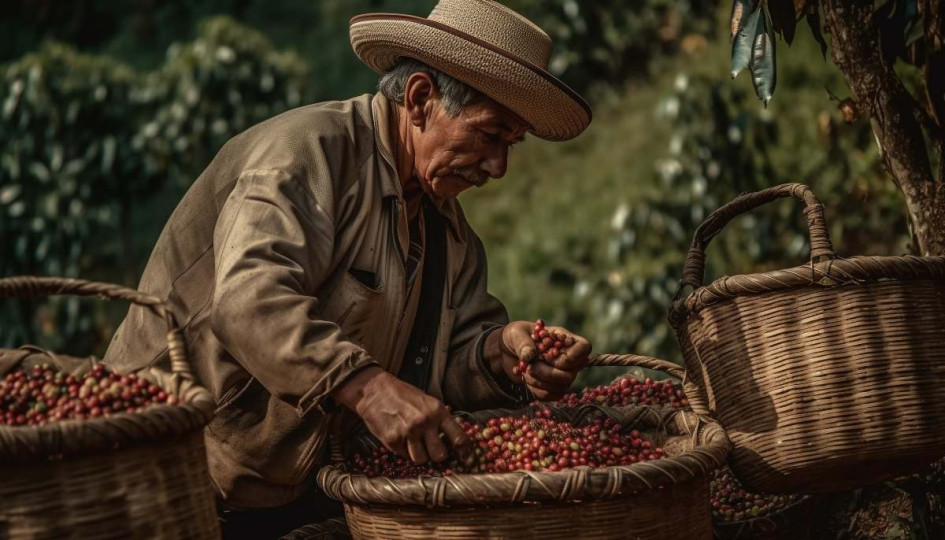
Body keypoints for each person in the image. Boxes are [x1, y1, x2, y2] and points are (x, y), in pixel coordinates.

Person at [103, 0, 594, 536]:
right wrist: (369, 388)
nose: (499, 167)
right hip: (172, 477)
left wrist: (501, 354)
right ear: (421, 99)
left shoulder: (450, 235)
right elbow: (249, 302)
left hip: (302, 492)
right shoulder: (306, 156)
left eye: (511, 144)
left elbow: (438, 367)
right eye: (489, 135)